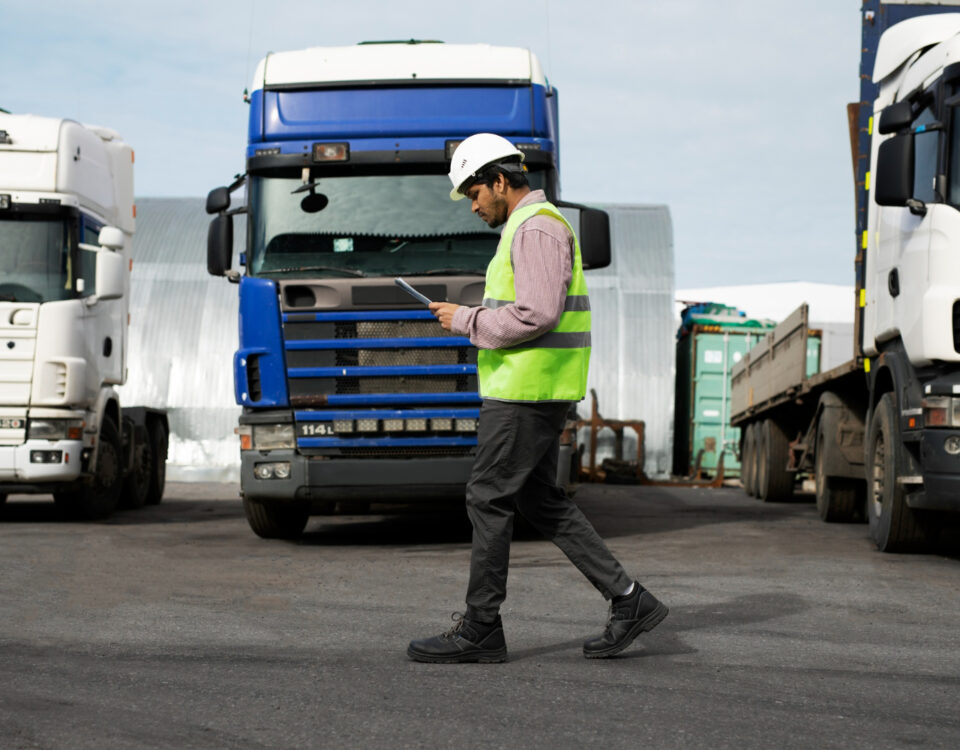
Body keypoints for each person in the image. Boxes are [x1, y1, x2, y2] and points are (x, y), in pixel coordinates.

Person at [407, 133, 667, 663]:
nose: (473, 204)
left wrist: (467, 320)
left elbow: (538, 313)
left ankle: (481, 627)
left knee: (487, 497)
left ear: (500, 181)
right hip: (533, 388)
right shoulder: (530, 229)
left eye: (474, 192)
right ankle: (629, 599)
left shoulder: (537, 228)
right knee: (537, 500)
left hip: (527, 393)